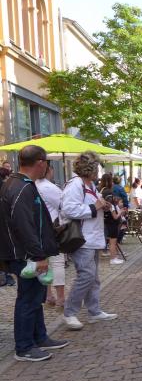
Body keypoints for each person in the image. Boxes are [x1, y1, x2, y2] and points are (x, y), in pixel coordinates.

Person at [0, 145, 67, 361]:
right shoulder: (20, 187)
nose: (47, 166)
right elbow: (24, 225)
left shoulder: (21, 184)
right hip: (25, 254)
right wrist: (38, 255)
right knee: (28, 299)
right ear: (40, 162)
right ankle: (24, 347)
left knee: (35, 297)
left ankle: (39, 337)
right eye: (46, 162)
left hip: (25, 252)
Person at [61, 151, 118, 331]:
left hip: (92, 237)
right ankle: (69, 313)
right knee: (86, 275)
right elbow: (69, 209)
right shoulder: (75, 185)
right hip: (82, 239)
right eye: (97, 168)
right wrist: (95, 207)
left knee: (93, 278)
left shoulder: (90, 185)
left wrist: (103, 206)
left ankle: (94, 311)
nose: (99, 172)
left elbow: (91, 206)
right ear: (89, 169)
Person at [36, 162, 67, 306]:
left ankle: (48, 295)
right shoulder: (49, 187)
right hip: (53, 229)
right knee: (58, 263)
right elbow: (64, 206)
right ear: (49, 170)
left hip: (38, 230)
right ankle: (60, 297)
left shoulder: (33, 185)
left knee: (44, 263)